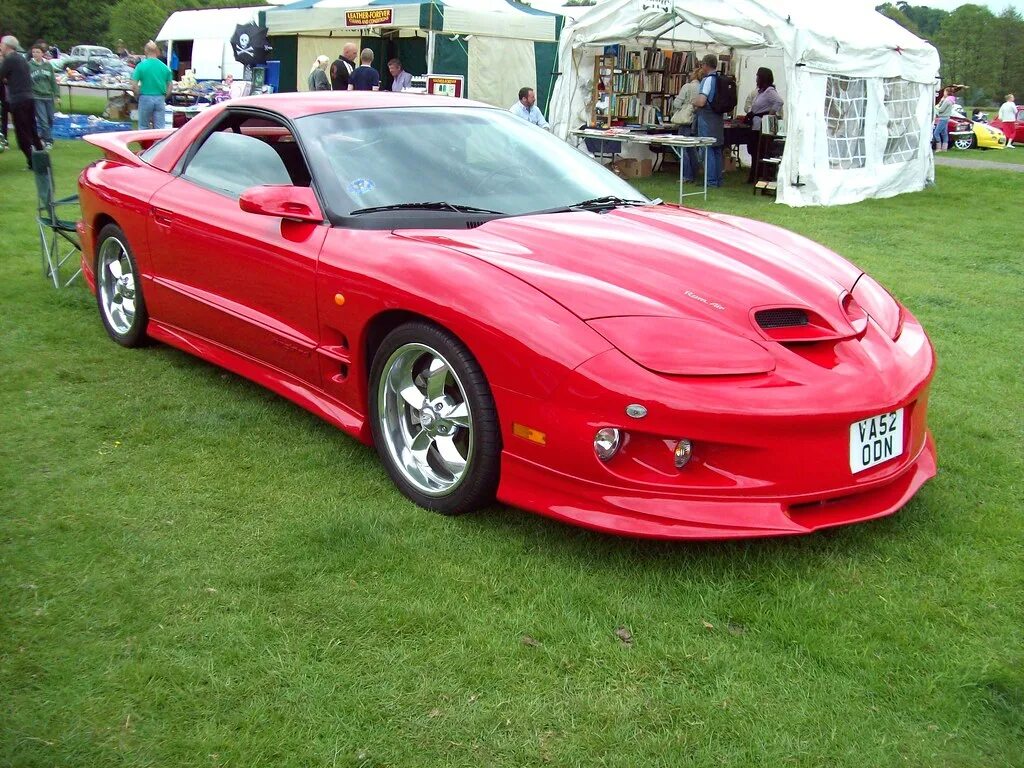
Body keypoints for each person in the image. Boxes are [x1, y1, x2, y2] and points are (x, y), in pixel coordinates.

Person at [0, 35, 44, 170]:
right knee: (32, 130)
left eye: (1, 44)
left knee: (22, 133)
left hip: (18, 100)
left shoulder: (9, 59)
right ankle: (42, 157)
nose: (0, 47)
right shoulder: (21, 58)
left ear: (7, 46)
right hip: (29, 97)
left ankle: (32, 162)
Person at [745, 67, 784, 183]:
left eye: (758, 76)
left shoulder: (769, 91)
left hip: (761, 126)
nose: (756, 79)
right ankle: (753, 174)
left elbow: (779, 102)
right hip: (755, 124)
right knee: (753, 150)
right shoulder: (761, 91)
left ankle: (757, 175)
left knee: (758, 151)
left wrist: (769, 115)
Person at [692, 53, 724, 187]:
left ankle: (710, 181)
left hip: (707, 118)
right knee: (717, 149)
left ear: (705, 65)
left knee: (708, 149)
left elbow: (702, 101)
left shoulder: (707, 80)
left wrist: (693, 101)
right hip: (718, 117)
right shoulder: (720, 79)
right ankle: (718, 180)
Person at [131, 41, 173, 130]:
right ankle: (159, 143)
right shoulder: (165, 67)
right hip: (160, 98)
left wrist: (137, 95)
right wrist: (165, 96)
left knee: (143, 126)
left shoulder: (141, 66)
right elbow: (170, 86)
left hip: (145, 97)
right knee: (160, 127)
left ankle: (146, 143)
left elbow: (134, 85)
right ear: (157, 51)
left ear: (146, 51)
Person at [672, 67, 703, 182]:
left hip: (686, 121)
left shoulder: (687, 87)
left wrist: (683, 108)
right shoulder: (702, 87)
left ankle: (686, 175)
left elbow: (677, 103)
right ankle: (694, 173)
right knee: (692, 149)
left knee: (682, 149)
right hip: (697, 120)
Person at [29, 43, 59, 149]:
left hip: (48, 96)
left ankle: (41, 136)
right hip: (36, 96)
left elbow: (53, 81)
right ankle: (48, 141)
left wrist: (57, 95)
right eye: (33, 52)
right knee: (43, 120)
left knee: (50, 119)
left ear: (42, 53)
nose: (35, 54)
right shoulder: (29, 65)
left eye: (38, 52)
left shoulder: (48, 65)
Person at [932, 86, 955, 152]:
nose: (943, 93)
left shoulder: (947, 101)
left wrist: (937, 108)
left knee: (936, 133)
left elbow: (941, 110)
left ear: (947, 92)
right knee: (944, 133)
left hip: (943, 118)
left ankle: (938, 148)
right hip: (946, 118)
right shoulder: (951, 100)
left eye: (944, 91)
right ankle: (944, 148)